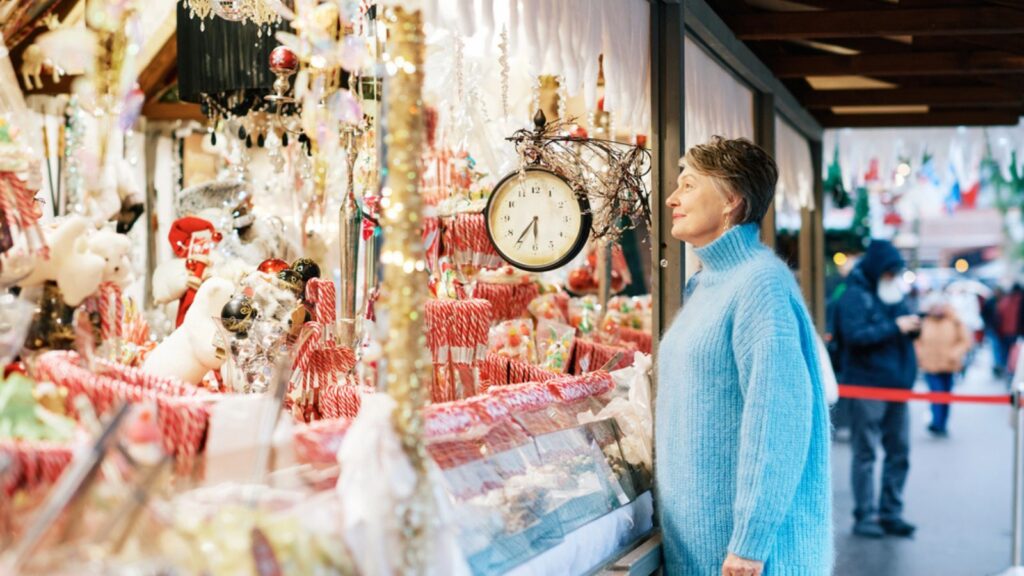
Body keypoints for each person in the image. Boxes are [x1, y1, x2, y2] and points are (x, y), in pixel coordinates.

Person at [657, 136, 832, 576]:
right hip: (702, 550)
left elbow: (778, 420)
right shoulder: (706, 283)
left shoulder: (759, 284)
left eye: (689, 185)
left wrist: (750, 544)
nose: (672, 198)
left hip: (747, 560)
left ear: (731, 201)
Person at [836, 239, 920, 539]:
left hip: (897, 387)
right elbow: (855, 336)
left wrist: (914, 325)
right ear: (877, 270)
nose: (892, 277)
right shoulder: (855, 296)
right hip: (866, 386)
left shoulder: (894, 294)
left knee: (899, 452)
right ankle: (865, 515)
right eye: (889, 272)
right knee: (866, 453)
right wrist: (895, 327)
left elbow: (902, 327)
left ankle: (890, 513)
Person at [915, 293, 972, 436]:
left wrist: (955, 354)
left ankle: (942, 423)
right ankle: (937, 423)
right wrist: (921, 355)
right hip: (931, 365)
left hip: (949, 364)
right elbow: (917, 342)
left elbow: (965, 341)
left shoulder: (954, 321)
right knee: (936, 394)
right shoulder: (924, 322)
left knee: (946, 396)